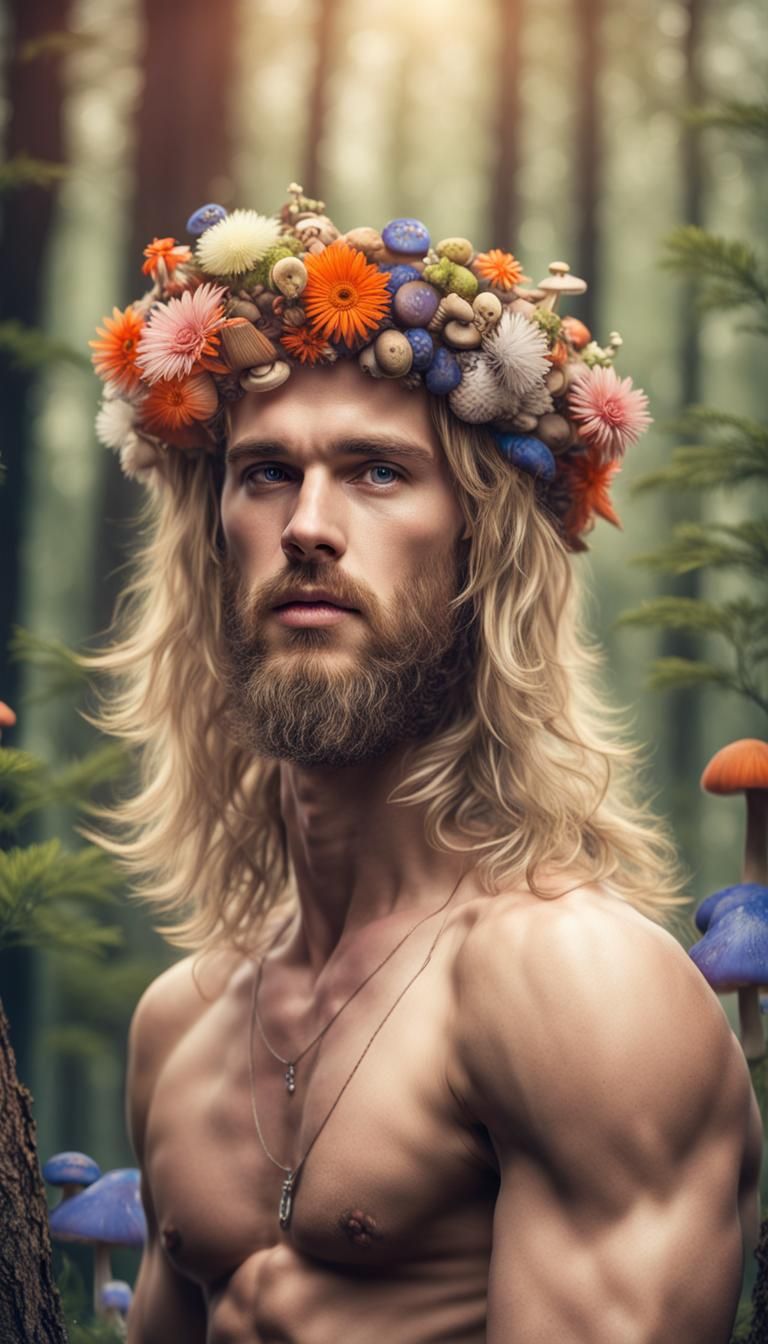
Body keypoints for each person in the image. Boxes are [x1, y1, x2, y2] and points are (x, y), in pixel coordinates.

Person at [83, 190, 762, 1343]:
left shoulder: (577, 988)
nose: (308, 523)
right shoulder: (181, 1028)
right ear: (215, 540)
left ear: (479, 547)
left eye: (377, 472)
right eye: (263, 475)